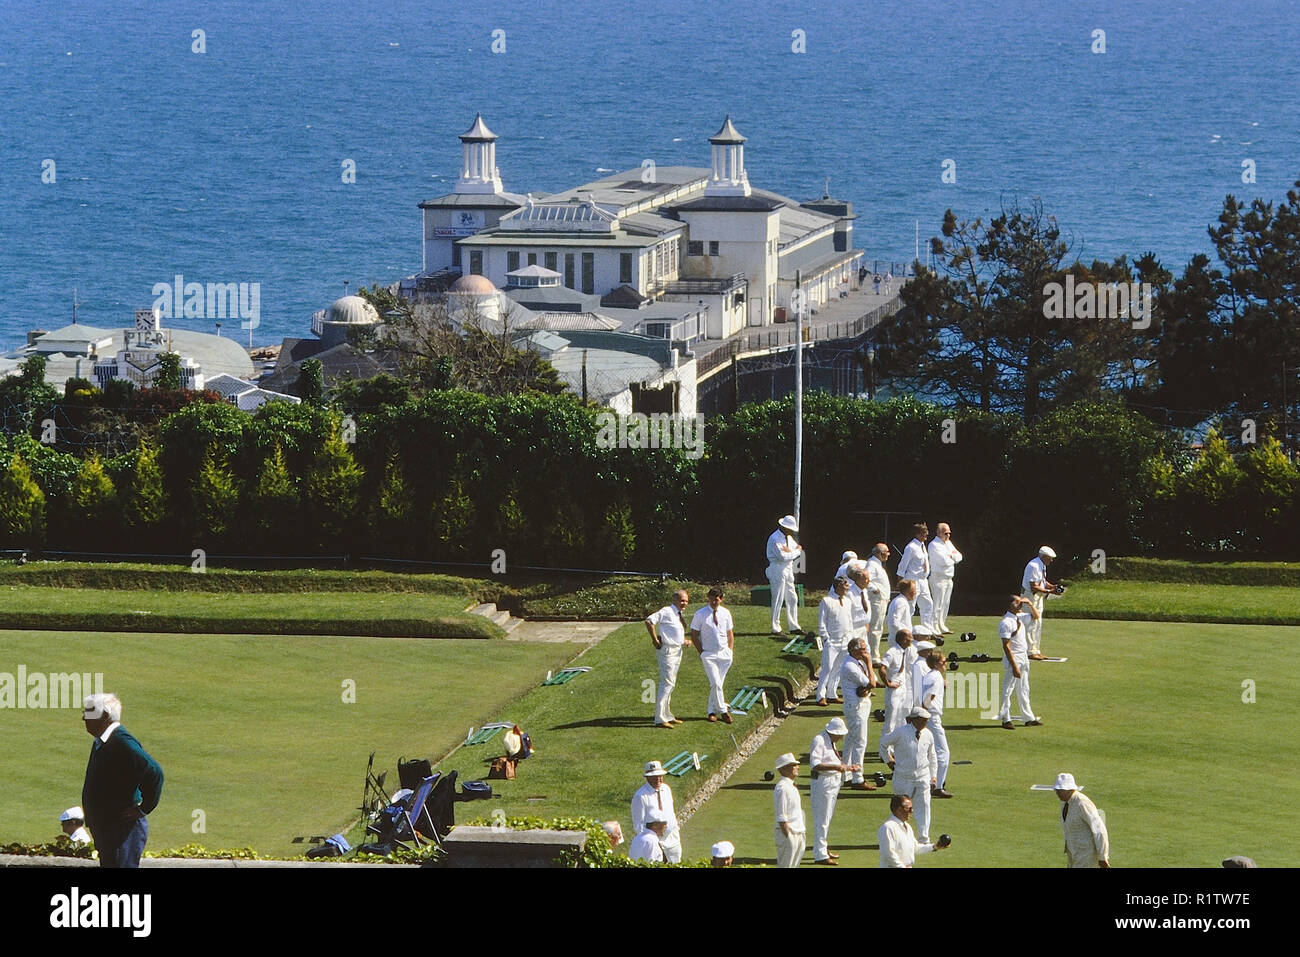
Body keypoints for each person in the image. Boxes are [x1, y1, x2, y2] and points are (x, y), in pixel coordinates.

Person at [80, 693, 164, 869]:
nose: (83, 717)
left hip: (122, 831)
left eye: (88, 713)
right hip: (110, 829)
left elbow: (154, 772)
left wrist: (144, 808)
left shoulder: (121, 742)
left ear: (104, 716)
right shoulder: (104, 740)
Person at [879, 707, 938, 844]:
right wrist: (888, 761)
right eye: (924, 720)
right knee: (901, 809)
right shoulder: (901, 732)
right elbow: (883, 743)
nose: (926, 723)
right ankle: (895, 837)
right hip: (903, 777)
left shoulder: (928, 734)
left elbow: (932, 756)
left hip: (922, 776)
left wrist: (933, 776)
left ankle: (924, 838)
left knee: (924, 806)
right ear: (916, 720)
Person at [809, 717, 856, 864]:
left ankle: (822, 848)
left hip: (832, 783)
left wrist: (846, 768)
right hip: (823, 783)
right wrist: (836, 767)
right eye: (840, 734)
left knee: (827, 818)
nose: (842, 737)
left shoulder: (830, 741)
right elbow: (815, 764)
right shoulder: (819, 740)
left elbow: (832, 761)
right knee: (822, 819)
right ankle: (820, 855)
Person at [645, 589, 690, 728]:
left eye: (686, 601)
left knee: (671, 683)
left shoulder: (678, 614)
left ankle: (667, 715)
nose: (684, 603)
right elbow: (649, 621)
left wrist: (684, 641)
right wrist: (654, 640)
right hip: (667, 652)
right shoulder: (666, 611)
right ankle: (659, 718)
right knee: (667, 683)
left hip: (677, 651)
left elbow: (673, 632)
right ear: (675, 600)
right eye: (682, 601)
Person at [690, 588, 735, 724]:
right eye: (711, 599)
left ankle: (711, 711)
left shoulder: (726, 613)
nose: (714, 602)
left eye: (716, 599)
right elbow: (693, 634)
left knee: (717, 684)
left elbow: (729, 633)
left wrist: (730, 650)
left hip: (724, 654)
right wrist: (702, 652)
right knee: (715, 683)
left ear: (721, 599)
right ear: (708, 598)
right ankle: (723, 711)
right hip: (708, 654)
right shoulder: (700, 614)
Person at [997, 595, 1042, 729]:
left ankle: (1028, 718)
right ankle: (1005, 719)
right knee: (1008, 689)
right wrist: (1014, 666)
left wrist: (1029, 603)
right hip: (1014, 659)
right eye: (1017, 602)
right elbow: (1006, 646)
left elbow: (1036, 616)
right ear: (1010, 605)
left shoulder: (1019, 617)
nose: (1020, 604)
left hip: (1023, 657)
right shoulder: (1006, 622)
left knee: (1024, 688)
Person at [839, 636, 878, 790]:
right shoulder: (850, 666)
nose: (866, 651)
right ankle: (857, 778)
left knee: (850, 740)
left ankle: (846, 774)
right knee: (860, 742)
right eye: (863, 649)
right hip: (855, 707)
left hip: (860, 704)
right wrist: (869, 663)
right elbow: (871, 683)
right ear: (854, 650)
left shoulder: (856, 662)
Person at [1054, 773, 1110, 868]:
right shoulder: (1064, 803)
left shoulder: (1082, 803)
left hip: (1087, 856)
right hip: (1073, 854)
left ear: (1069, 789)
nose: (1057, 793)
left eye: (1061, 790)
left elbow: (1099, 830)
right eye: (1057, 790)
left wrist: (1102, 857)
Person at [877, 629, 915, 767]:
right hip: (893, 691)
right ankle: (884, 752)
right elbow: (882, 668)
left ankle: (895, 749)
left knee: (900, 719)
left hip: (903, 690)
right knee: (890, 721)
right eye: (910, 637)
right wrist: (887, 683)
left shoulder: (906, 651)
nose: (912, 639)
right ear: (904, 639)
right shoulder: (892, 652)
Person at [631, 760, 682, 862]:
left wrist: (675, 830)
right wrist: (653, 842)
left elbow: (671, 813)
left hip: (673, 840)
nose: (658, 779)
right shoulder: (640, 796)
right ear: (647, 777)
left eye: (660, 776)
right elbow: (639, 826)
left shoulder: (666, 789)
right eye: (654, 777)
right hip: (657, 843)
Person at [815, 576, 854, 706]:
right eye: (845, 585)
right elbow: (822, 623)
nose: (848, 587)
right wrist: (826, 638)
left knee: (838, 668)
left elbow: (849, 620)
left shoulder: (848, 601)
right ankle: (820, 696)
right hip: (832, 641)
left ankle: (831, 693)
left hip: (845, 640)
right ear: (838, 586)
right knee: (827, 668)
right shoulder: (826, 601)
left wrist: (851, 637)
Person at [879, 794, 947, 867]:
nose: (912, 811)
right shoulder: (888, 827)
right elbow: (888, 853)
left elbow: (915, 847)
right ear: (899, 809)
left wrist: (934, 846)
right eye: (909, 808)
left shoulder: (908, 827)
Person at [919, 649, 952, 798]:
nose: (946, 665)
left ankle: (930, 781)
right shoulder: (936, 678)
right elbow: (927, 699)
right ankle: (938, 785)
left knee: (929, 751)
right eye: (943, 662)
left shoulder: (930, 675)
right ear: (936, 664)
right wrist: (924, 716)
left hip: (927, 716)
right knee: (943, 752)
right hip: (932, 716)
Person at [766, 515, 803, 634]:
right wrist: (795, 552)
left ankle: (794, 626)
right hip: (777, 569)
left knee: (792, 598)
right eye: (790, 529)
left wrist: (792, 551)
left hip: (788, 569)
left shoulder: (788, 537)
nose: (792, 531)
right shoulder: (775, 538)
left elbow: (798, 548)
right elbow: (782, 557)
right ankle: (775, 627)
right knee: (778, 598)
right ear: (784, 527)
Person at [1021, 546, 1059, 660]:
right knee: (1030, 624)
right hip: (1030, 597)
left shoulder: (1041, 565)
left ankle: (1036, 650)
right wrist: (1050, 591)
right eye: (1050, 558)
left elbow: (1042, 581)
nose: (1051, 561)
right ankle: (1029, 652)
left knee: (1037, 624)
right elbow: (1034, 587)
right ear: (1044, 556)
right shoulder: (1033, 566)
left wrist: (1052, 586)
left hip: (1038, 597)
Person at [897, 525, 935, 635]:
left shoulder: (922, 545)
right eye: (924, 532)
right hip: (913, 580)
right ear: (917, 534)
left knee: (928, 604)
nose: (927, 534)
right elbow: (902, 566)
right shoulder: (911, 547)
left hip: (923, 581)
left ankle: (927, 629)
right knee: (910, 606)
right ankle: (905, 630)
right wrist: (900, 581)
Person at [927, 523, 962, 635]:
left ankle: (942, 624)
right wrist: (952, 557)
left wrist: (951, 556)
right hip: (938, 578)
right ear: (938, 532)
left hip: (949, 577)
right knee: (937, 603)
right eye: (945, 533)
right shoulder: (934, 545)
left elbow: (959, 556)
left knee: (945, 603)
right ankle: (934, 626)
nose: (948, 535)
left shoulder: (948, 543)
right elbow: (943, 561)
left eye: (949, 533)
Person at [772, 752, 806, 868]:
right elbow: (781, 815)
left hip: (799, 831)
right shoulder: (782, 788)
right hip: (789, 833)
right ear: (784, 769)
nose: (797, 767)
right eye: (793, 765)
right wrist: (789, 837)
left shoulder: (791, 786)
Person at [865, 543, 891, 660]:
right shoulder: (872, 564)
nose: (888, 555)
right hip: (876, 601)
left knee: (877, 627)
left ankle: (873, 653)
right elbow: (865, 579)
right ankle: (873, 656)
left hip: (881, 600)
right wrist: (875, 589)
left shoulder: (877, 564)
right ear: (880, 554)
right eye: (887, 552)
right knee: (875, 627)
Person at [887, 579, 918, 646]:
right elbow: (894, 622)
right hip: (899, 641)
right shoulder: (900, 602)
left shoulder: (902, 601)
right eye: (914, 590)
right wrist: (905, 636)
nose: (915, 592)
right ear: (908, 591)